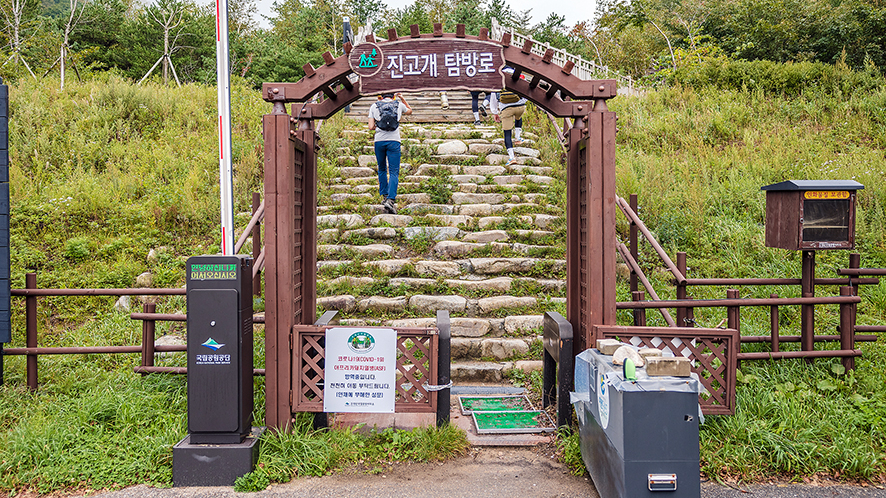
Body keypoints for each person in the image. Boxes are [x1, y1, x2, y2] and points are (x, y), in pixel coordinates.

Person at [368, 92, 412, 214]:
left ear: (381, 96)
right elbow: (410, 111)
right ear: (393, 96)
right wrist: (402, 98)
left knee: (382, 169)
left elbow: (371, 126)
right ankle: (391, 200)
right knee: (394, 171)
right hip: (394, 141)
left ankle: (384, 196)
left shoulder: (374, 106)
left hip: (379, 141)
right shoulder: (398, 104)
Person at [489, 70, 527, 166]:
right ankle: (518, 137)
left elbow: (493, 96)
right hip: (520, 106)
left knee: (507, 132)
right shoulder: (517, 75)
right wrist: (523, 101)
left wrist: (495, 112)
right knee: (518, 117)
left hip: (506, 108)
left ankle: (511, 157)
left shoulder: (497, 78)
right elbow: (526, 89)